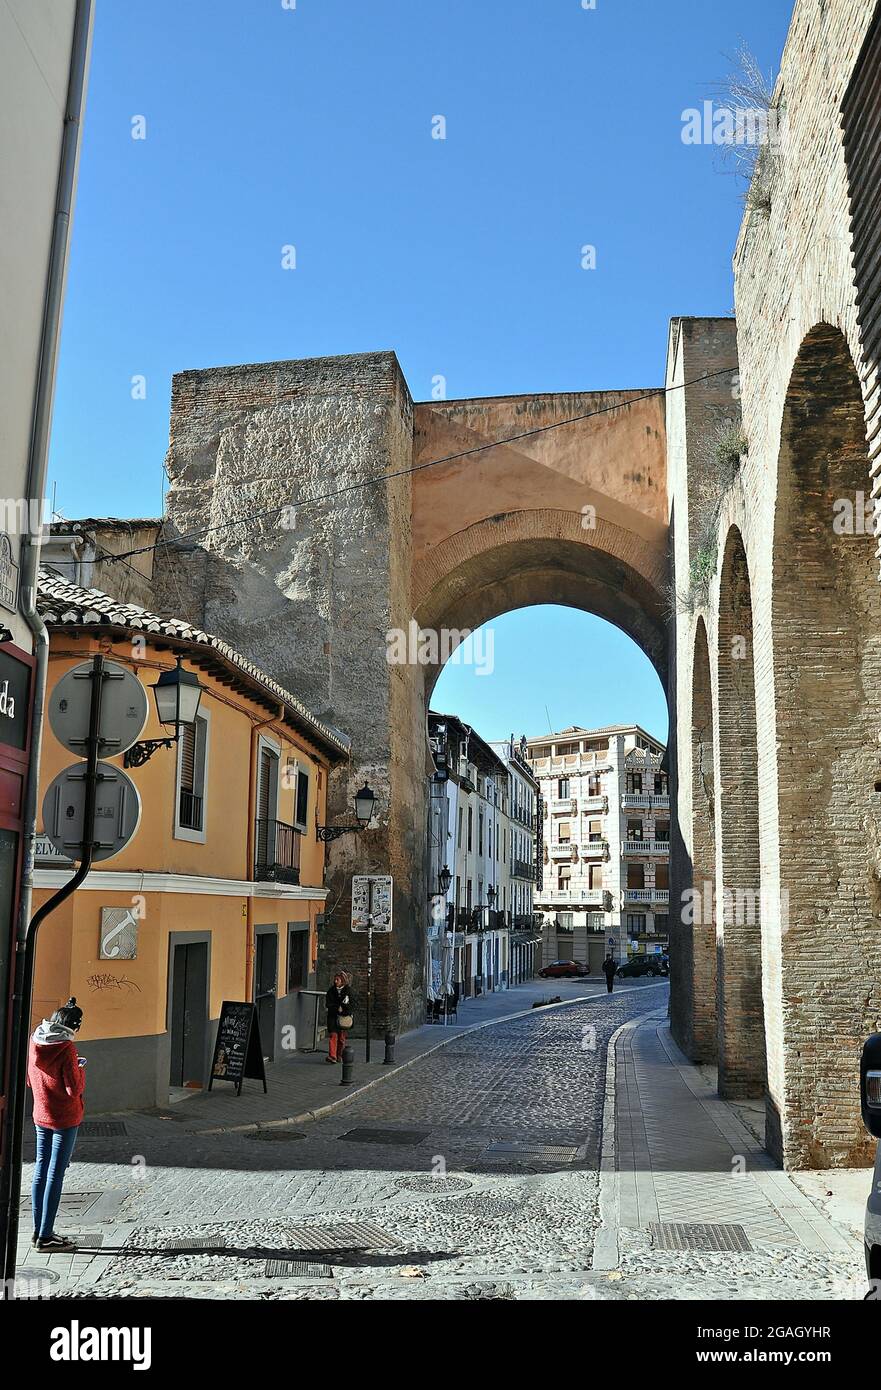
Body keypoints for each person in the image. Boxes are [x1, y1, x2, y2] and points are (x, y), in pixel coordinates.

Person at [26, 997, 86, 1251]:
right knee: (55, 1174)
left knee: (41, 1169)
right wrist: (80, 1069)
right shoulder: (66, 1048)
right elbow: (74, 1089)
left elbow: (30, 1080)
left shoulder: (35, 1039)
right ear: (74, 1026)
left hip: (41, 1113)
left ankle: (38, 1231)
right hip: (64, 1117)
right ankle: (46, 1236)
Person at [325, 970, 353, 1063]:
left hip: (343, 1018)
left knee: (341, 1038)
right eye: (335, 979)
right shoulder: (331, 991)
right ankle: (332, 1056)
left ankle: (339, 1055)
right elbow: (328, 1004)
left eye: (338, 980)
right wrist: (337, 1008)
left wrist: (344, 1009)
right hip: (333, 1016)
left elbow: (353, 1004)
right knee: (333, 1035)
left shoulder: (348, 991)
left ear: (342, 981)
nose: (335, 981)